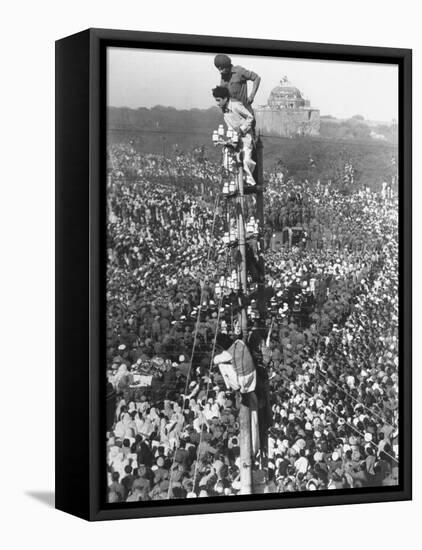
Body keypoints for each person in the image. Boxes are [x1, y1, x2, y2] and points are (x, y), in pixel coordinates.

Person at [212, 85, 256, 185]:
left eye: (219, 100)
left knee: (246, 160)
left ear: (225, 98)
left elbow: (250, 117)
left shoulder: (236, 105)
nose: (217, 103)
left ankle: (247, 181)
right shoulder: (224, 110)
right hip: (234, 139)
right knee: (228, 162)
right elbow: (230, 127)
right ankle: (236, 182)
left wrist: (242, 129)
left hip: (245, 138)